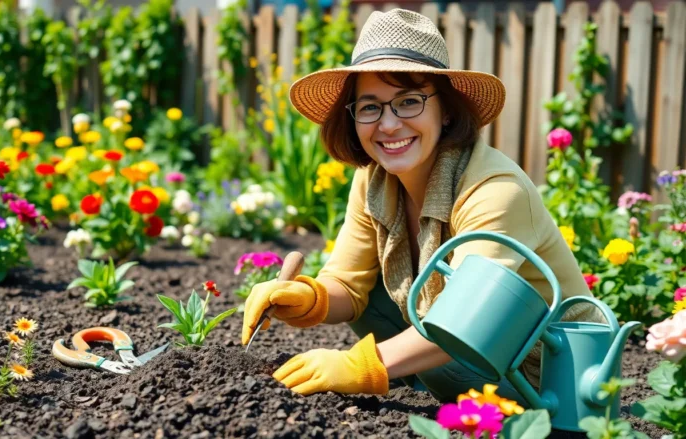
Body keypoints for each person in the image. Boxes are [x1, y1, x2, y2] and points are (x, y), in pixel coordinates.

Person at [241, 8, 602, 405]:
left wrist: (360, 366)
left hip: (552, 385)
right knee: (376, 291)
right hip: (468, 359)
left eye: (409, 101)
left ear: (446, 110)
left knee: (447, 331)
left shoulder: (495, 190)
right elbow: (348, 284)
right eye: (370, 107)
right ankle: (421, 383)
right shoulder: (373, 180)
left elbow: (466, 322)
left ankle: (422, 379)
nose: (388, 124)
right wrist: (308, 299)